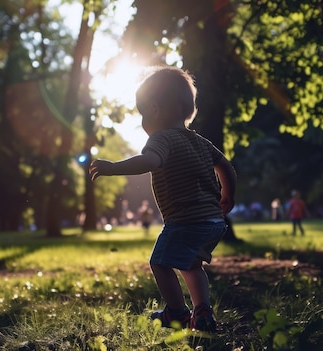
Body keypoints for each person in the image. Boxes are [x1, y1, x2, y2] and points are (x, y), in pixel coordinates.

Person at [89, 66, 236, 332]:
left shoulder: (162, 139)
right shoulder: (201, 142)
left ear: (155, 109)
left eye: (143, 114)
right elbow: (226, 166)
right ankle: (202, 314)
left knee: (159, 262)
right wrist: (228, 194)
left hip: (185, 220)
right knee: (192, 265)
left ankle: (177, 313)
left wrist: (113, 167)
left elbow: (150, 161)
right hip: (213, 221)